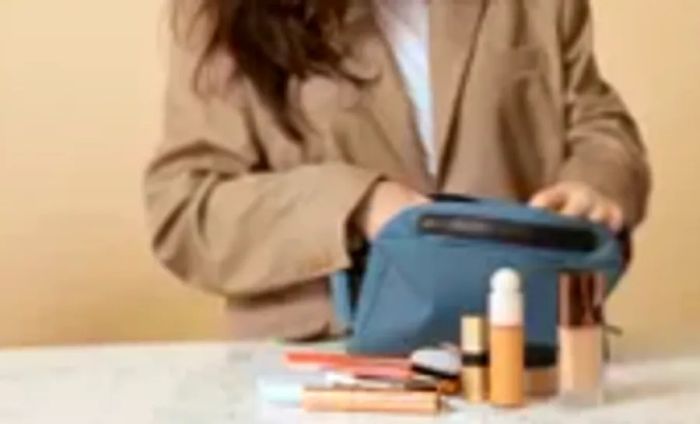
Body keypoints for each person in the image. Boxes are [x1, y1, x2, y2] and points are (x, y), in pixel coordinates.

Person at [144, 0, 650, 340]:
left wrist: (596, 181)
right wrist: (356, 202)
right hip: (318, 363)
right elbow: (187, 211)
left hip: (517, 358)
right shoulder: (223, 16)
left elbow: (598, 122)